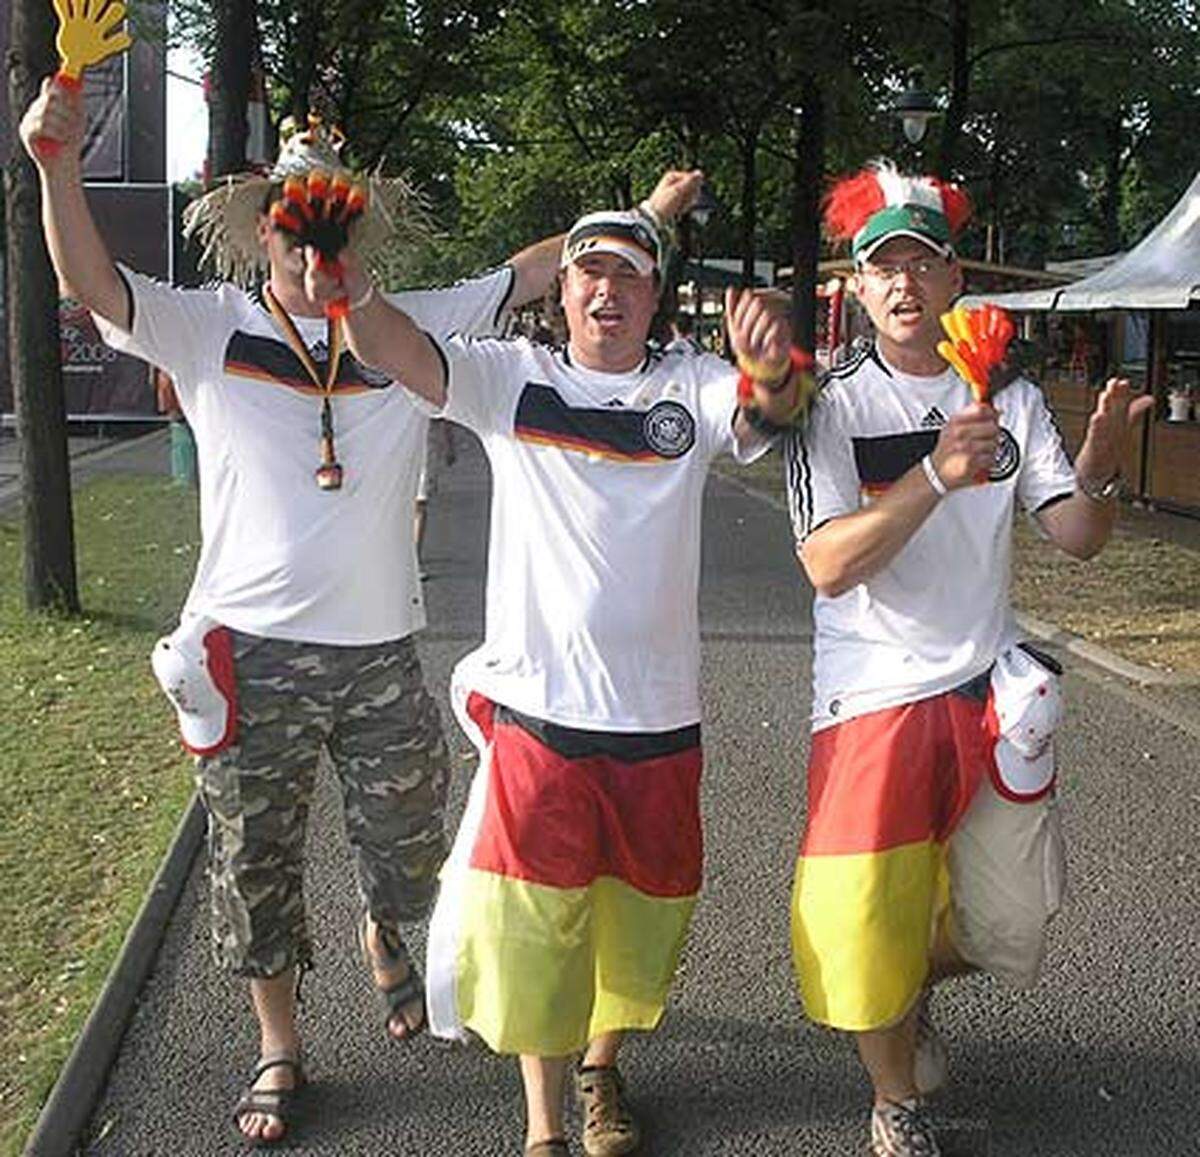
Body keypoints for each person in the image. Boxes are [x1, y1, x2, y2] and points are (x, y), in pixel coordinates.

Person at [17, 81, 610, 1147]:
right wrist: (59, 166)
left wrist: (635, 217)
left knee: (412, 847)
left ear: (356, 232)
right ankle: (280, 1044)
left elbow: (529, 273)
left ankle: (388, 932)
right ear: (263, 233)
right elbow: (92, 284)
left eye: (331, 225)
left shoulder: (404, 326)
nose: (310, 245)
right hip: (250, 651)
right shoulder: (212, 327)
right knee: (257, 863)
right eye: (294, 226)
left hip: (380, 650)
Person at [305, 177, 813, 1156]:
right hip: (541, 715)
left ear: (655, 296)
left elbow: (772, 416)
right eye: (589, 273)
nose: (607, 290)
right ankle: (544, 1124)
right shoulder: (512, 379)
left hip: (658, 720)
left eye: (629, 274)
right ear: (563, 292)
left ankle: (600, 1069)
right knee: (534, 928)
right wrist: (348, 282)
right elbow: (392, 349)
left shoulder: (695, 386)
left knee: (634, 923)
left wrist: (773, 367)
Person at [782, 160, 1152, 1157]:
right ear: (856, 290)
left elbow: (1075, 534)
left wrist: (1103, 472)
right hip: (871, 697)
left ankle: (905, 990)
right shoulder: (830, 407)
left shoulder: (1008, 395)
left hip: (990, 691)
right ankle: (895, 1093)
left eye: (922, 263)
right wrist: (939, 473)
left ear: (954, 284)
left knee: (1007, 925)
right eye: (882, 267)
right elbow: (827, 563)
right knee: (862, 922)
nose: (903, 283)